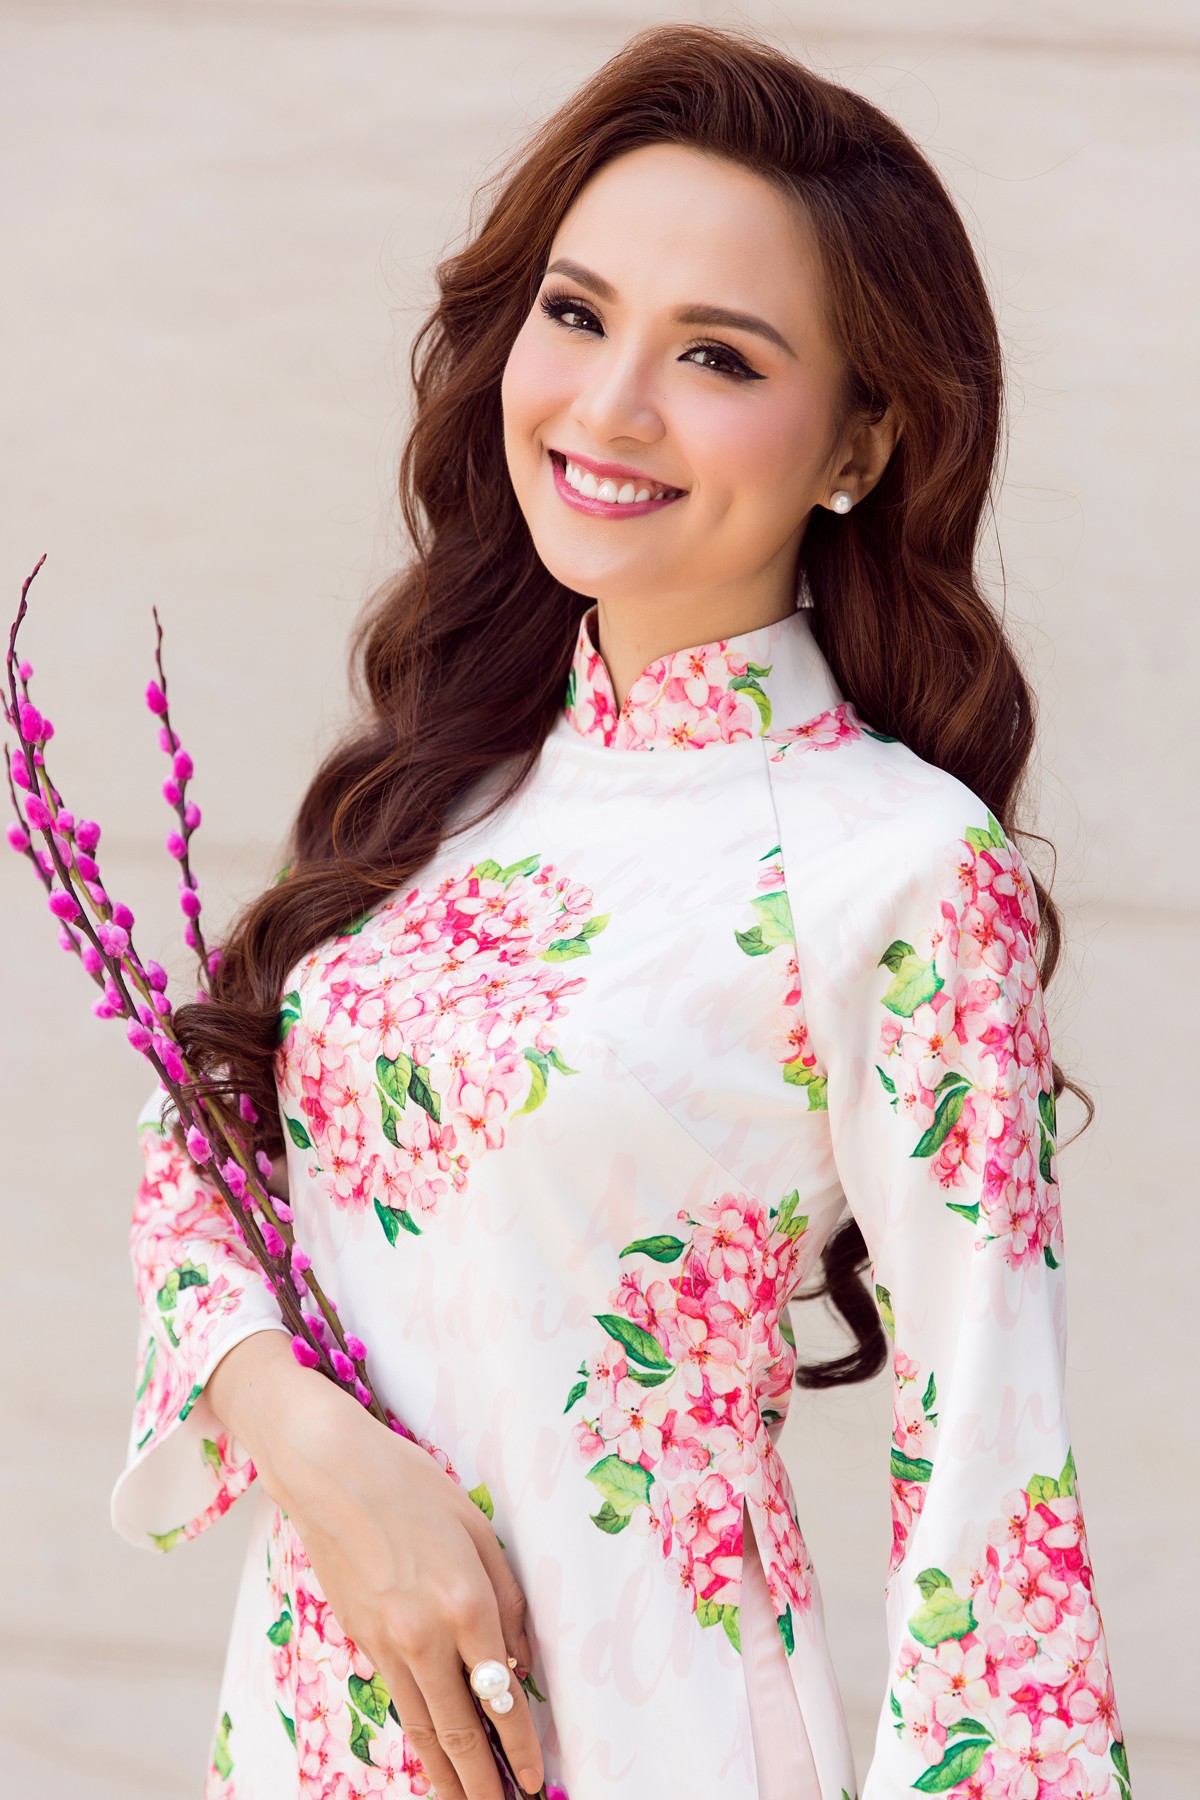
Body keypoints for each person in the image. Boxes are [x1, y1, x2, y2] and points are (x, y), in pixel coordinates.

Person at [109, 22, 1129, 1800]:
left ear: (861, 440)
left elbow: (995, 1500)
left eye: (716, 355)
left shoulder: (899, 867)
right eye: (578, 315)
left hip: (648, 1735)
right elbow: (204, 1141)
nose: (608, 406)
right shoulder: (447, 787)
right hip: (301, 1733)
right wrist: (319, 1452)